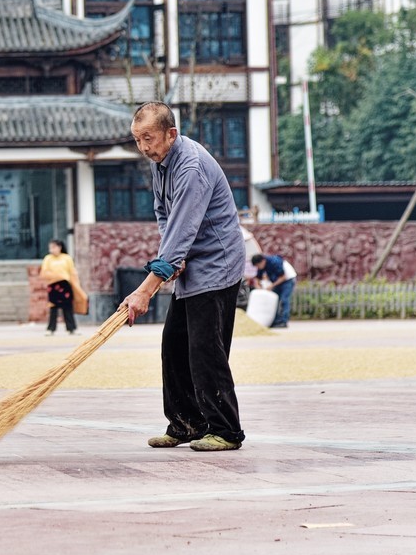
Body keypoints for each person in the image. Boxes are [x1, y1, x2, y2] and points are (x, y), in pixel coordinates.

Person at [121, 102, 247, 453]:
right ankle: (186, 423)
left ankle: (226, 430)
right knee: (174, 344)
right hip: (190, 262)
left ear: (171, 134)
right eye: (137, 139)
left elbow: (182, 228)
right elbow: (165, 215)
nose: (143, 147)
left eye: (148, 138)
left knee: (205, 348)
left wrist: (145, 290)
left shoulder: (191, 166)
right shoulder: (161, 162)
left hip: (217, 263)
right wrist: (172, 260)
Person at [39, 239, 86, 336]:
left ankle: (72, 328)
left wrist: (76, 284)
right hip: (53, 285)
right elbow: (44, 272)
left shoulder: (67, 258)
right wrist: (56, 276)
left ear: (59, 247)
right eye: (50, 247)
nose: (51, 249)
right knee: (53, 307)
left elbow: (72, 272)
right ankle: (51, 329)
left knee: (68, 307)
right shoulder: (48, 258)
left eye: (54, 247)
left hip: (65, 285)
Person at [252, 253, 297, 328]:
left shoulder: (275, 262)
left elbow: (283, 277)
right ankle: (275, 321)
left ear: (262, 261)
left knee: (284, 300)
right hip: (277, 281)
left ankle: (283, 321)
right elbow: (257, 277)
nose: (258, 268)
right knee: (274, 301)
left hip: (288, 280)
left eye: (258, 265)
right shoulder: (262, 265)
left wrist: (272, 286)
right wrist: (257, 285)